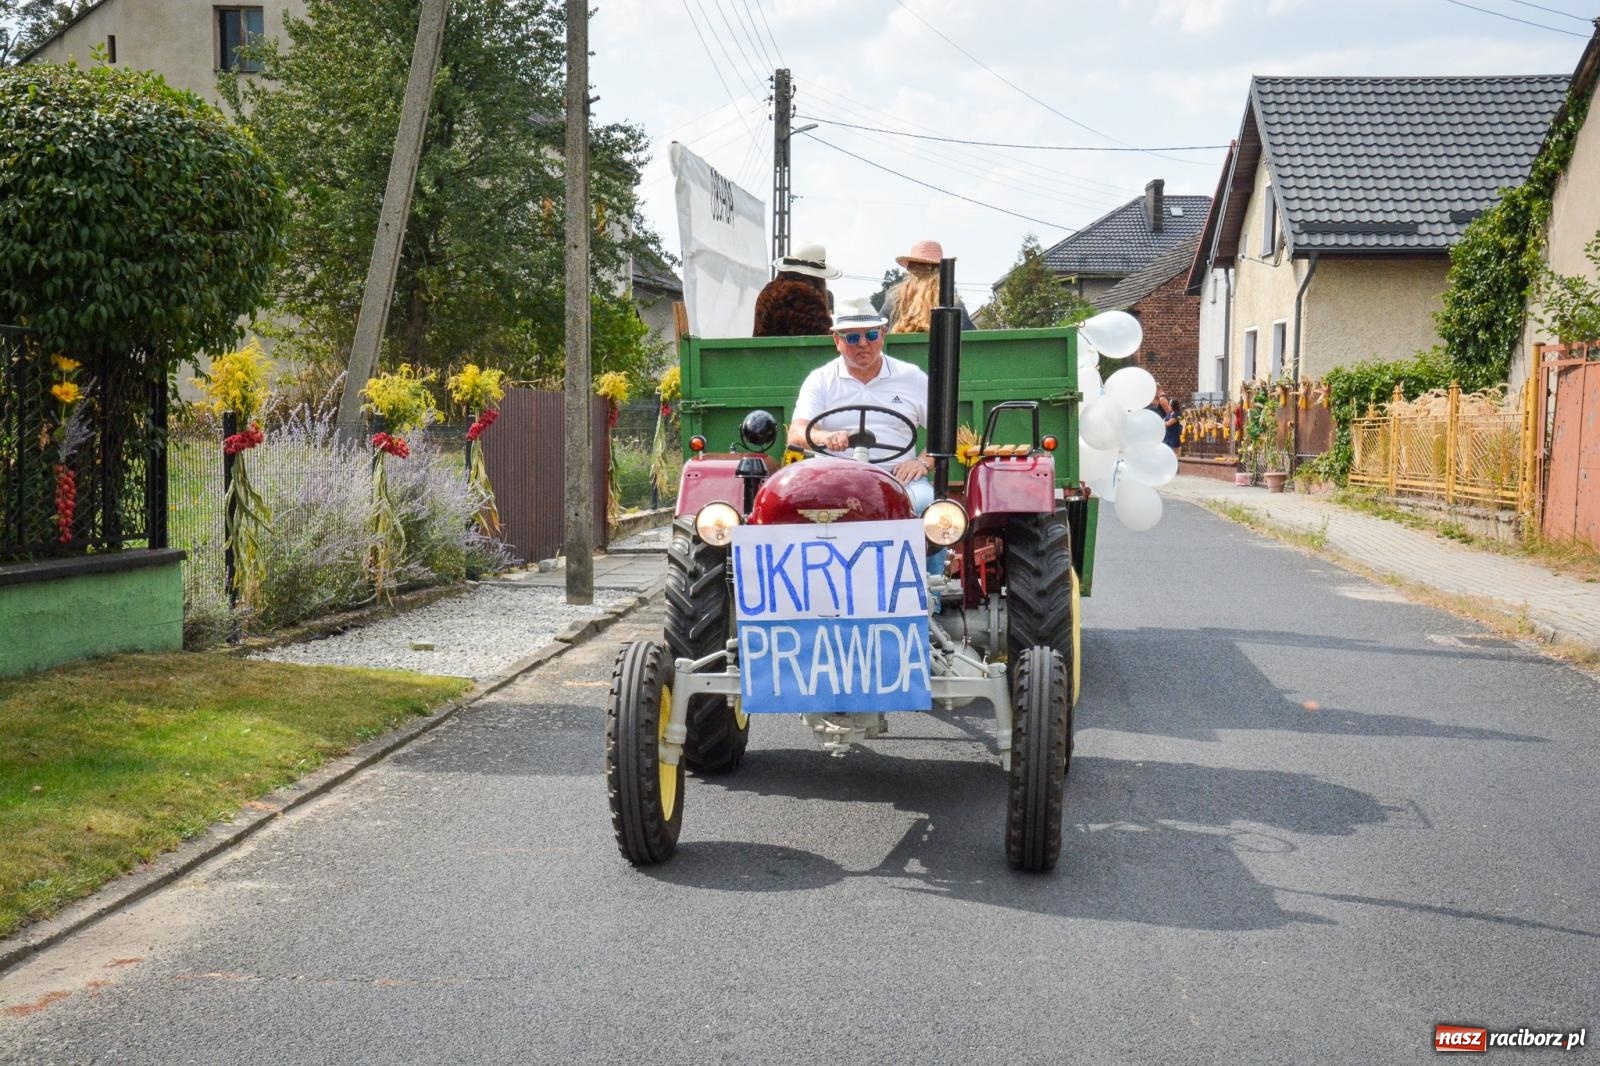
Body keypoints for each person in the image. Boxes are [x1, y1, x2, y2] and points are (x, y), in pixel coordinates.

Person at [786, 299, 936, 514]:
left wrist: (922, 463)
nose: (863, 343)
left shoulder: (911, 377)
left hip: (897, 479)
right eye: (853, 337)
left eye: (871, 335)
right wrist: (825, 437)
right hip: (834, 479)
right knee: (796, 509)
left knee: (929, 508)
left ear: (883, 335)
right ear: (837, 341)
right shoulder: (820, 380)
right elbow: (796, 433)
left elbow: (945, 431)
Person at [881, 239, 976, 334]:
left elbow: (877, 331)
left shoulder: (895, 299)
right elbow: (971, 337)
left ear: (910, 269)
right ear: (941, 269)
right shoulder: (952, 301)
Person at [753, 242, 839, 337]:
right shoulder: (803, 293)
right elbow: (820, 336)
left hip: (764, 351)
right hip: (789, 352)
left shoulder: (768, 290)